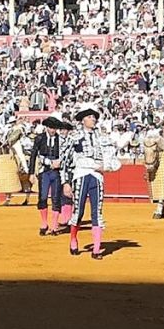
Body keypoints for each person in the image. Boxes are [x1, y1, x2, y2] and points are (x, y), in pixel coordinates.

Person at [60, 106, 108, 260]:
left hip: (97, 176)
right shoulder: (75, 137)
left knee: (97, 212)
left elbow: (108, 156)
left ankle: (96, 248)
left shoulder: (101, 137)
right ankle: (73, 239)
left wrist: (107, 165)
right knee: (78, 211)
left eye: (94, 118)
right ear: (83, 121)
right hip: (80, 174)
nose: (93, 119)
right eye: (90, 117)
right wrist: (65, 182)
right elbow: (65, 160)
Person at [29, 115, 70, 236]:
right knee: (42, 197)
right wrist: (31, 173)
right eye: (51, 128)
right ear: (47, 127)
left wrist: (60, 162)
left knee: (56, 198)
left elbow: (66, 154)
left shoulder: (60, 139)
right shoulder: (40, 138)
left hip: (56, 172)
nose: (52, 130)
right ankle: (43, 223)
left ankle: (54, 225)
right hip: (44, 171)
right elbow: (33, 156)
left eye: (55, 128)